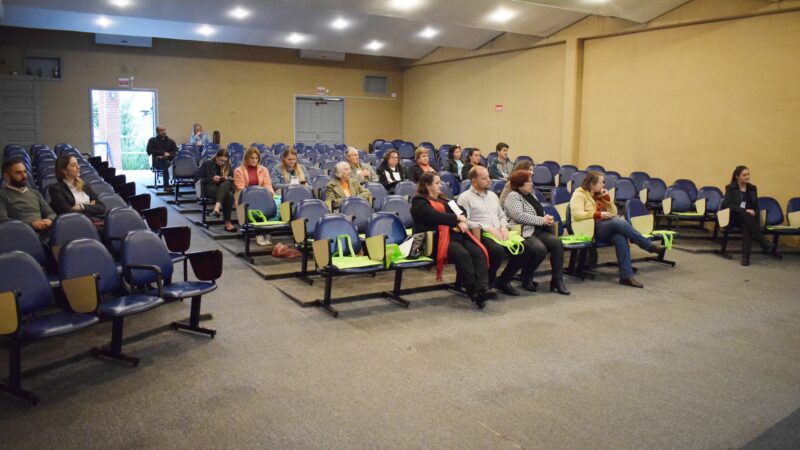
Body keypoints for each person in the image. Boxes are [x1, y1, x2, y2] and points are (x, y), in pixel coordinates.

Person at [410, 172, 493, 308]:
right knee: (462, 254)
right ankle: (474, 293)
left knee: (478, 251)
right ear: (427, 185)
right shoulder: (419, 201)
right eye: (436, 183)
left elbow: (461, 212)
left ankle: (484, 287)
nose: (440, 185)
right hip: (435, 239)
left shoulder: (445, 199)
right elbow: (433, 216)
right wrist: (455, 220)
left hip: (456, 235)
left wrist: (462, 221)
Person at [569, 171, 665, 288]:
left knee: (620, 237)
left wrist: (607, 199)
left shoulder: (600, 194)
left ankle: (626, 276)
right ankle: (648, 245)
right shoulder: (579, 194)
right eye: (601, 182)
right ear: (592, 184)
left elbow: (613, 212)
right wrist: (598, 214)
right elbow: (577, 214)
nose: (604, 185)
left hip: (604, 228)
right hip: (587, 230)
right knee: (618, 222)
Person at [457, 166, 532, 296]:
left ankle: (504, 280)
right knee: (497, 251)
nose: (489, 180)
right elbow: (465, 221)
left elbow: (501, 215)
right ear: (474, 181)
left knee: (526, 248)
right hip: (481, 233)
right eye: (484, 178)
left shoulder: (492, 196)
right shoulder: (465, 197)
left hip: (499, 231)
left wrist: (503, 227)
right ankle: (488, 283)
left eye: (488, 177)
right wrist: (488, 228)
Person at [504, 170, 569, 295]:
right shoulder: (513, 196)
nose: (531, 184)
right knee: (540, 249)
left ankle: (557, 280)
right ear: (520, 184)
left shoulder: (531, 195)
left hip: (537, 229)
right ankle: (527, 277)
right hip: (523, 231)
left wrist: (546, 217)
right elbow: (518, 216)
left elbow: (538, 211)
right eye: (528, 181)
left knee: (556, 243)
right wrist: (541, 220)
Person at [721, 165, 775, 266]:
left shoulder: (752, 188)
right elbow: (727, 204)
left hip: (748, 218)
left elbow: (755, 205)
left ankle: (745, 258)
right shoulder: (730, 188)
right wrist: (744, 210)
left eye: (748, 174)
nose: (747, 177)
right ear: (737, 177)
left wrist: (754, 211)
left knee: (746, 226)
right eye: (744, 175)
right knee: (746, 216)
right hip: (734, 217)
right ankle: (763, 242)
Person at [0, 158, 57, 233]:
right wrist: (31, 225)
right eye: (18, 173)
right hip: (20, 233)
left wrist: (49, 220)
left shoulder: (35, 192)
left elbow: (51, 213)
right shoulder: (2, 194)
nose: (24, 176)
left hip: (43, 231)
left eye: (24, 172)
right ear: (7, 176)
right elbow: (3, 219)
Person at [233, 146, 274, 246]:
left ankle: (266, 231)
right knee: (256, 205)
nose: (254, 160)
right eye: (252, 158)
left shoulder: (264, 170)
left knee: (270, 203)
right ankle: (259, 234)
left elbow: (267, 185)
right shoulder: (239, 170)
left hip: (262, 197)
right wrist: (254, 195)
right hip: (246, 197)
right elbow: (241, 187)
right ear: (247, 158)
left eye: (256, 158)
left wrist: (270, 195)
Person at [48, 154, 106, 220]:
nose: (78, 167)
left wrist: (81, 206)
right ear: (64, 170)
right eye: (73, 165)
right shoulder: (56, 189)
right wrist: (90, 207)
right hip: (74, 225)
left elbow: (102, 208)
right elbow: (69, 213)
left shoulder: (84, 185)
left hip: (93, 222)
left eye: (77, 164)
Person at [197, 149, 236, 232]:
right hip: (208, 188)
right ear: (216, 157)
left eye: (225, 161)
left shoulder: (228, 166)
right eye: (221, 160)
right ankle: (227, 223)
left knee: (228, 191)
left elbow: (233, 179)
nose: (223, 163)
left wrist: (225, 178)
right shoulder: (207, 163)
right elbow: (197, 179)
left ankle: (217, 208)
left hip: (222, 189)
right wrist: (212, 179)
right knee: (228, 193)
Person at [146, 125, 178, 192]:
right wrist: (162, 153)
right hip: (158, 161)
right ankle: (166, 185)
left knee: (171, 162)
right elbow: (149, 150)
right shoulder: (152, 140)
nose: (163, 131)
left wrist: (169, 154)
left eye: (164, 130)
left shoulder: (170, 141)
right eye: (161, 130)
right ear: (157, 132)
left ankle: (175, 183)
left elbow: (175, 151)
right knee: (167, 163)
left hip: (169, 159)